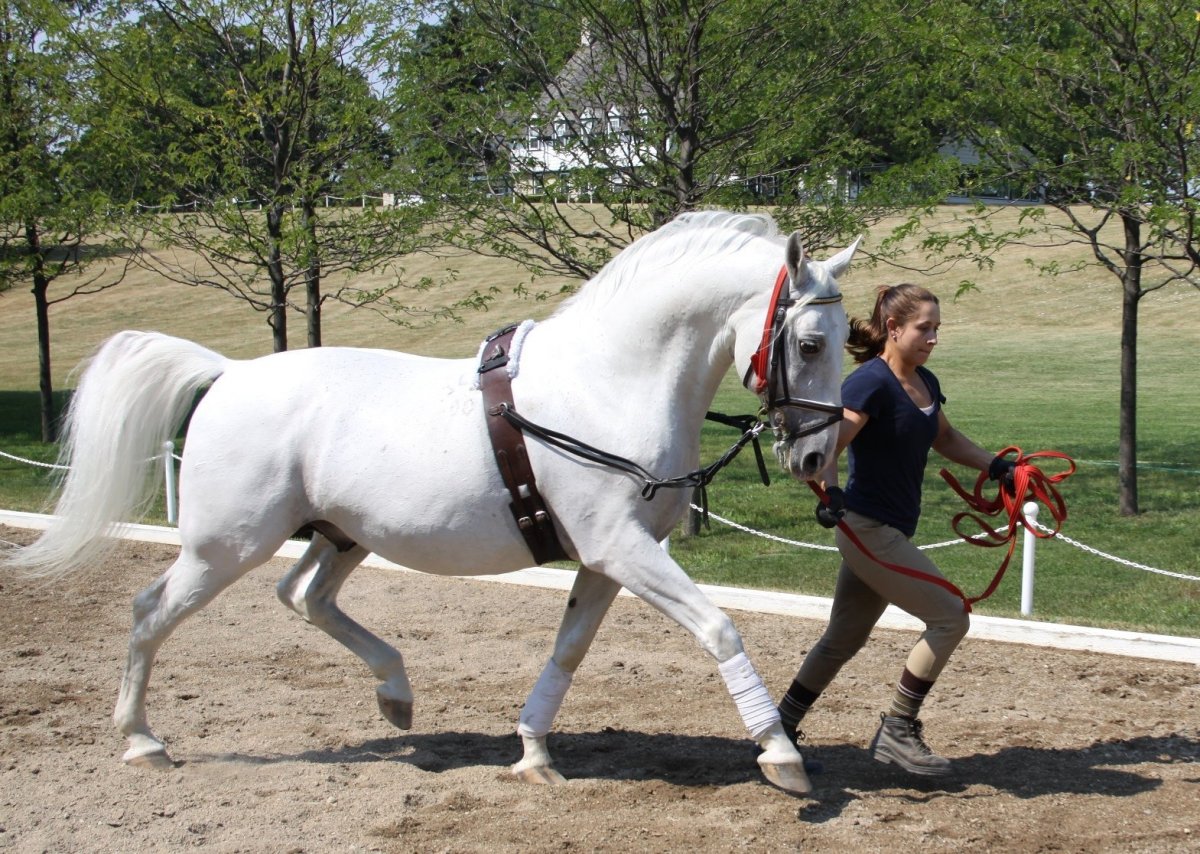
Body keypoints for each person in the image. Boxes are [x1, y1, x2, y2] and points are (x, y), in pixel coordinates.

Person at [778, 283, 1015, 777]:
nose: (933, 338)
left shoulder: (923, 381)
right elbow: (828, 445)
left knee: (842, 639)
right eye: (924, 328)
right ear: (893, 328)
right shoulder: (870, 382)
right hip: (866, 527)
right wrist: (829, 491)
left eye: (936, 329)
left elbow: (944, 437)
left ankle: (778, 729)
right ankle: (898, 729)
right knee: (951, 617)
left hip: (892, 530)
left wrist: (997, 467)